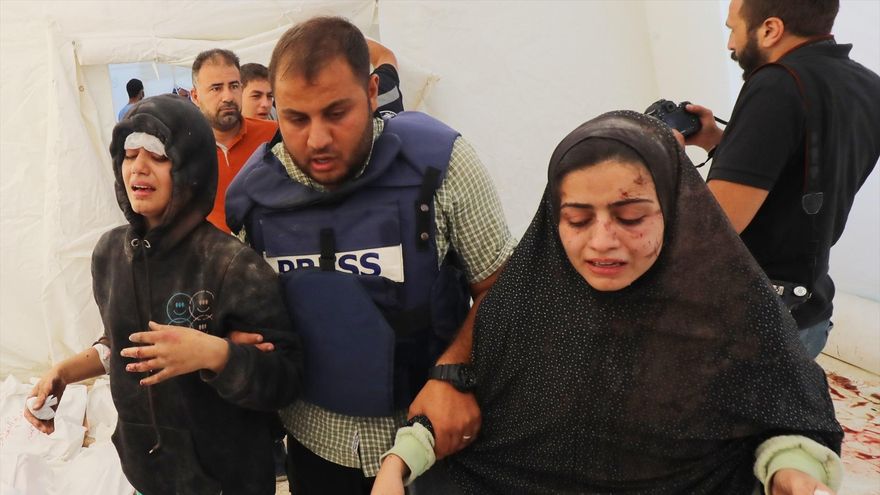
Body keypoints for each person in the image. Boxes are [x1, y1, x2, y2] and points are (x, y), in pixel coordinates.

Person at [373, 111, 843, 495]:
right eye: (577, 220)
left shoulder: (732, 308)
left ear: (677, 210)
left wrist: (792, 469)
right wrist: (400, 462)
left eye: (632, 216)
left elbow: (787, 414)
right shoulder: (525, 300)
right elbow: (461, 401)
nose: (602, 242)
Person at [225, 16, 515, 494]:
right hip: (315, 446)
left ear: (372, 91)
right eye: (295, 118)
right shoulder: (250, 200)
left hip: (432, 438)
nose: (316, 138)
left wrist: (454, 372)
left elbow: (503, 286)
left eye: (336, 112)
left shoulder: (442, 165)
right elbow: (241, 315)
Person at [24, 94, 303, 494]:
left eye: (157, 154)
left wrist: (216, 354)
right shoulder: (109, 254)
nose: (138, 167)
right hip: (147, 470)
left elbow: (286, 382)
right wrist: (62, 373)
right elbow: (119, 342)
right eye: (128, 154)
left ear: (189, 167)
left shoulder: (232, 265)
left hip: (227, 477)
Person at [682, 0, 880, 357]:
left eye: (733, 29)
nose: (730, 44)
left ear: (770, 29)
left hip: (756, 325)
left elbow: (716, 226)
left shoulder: (777, 83)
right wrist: (716, 141)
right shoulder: (867, 86)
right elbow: (801, 175)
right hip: (810, 312)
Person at [191, 49, 278, 233]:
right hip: (212, 256)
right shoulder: (182, 149)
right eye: (216, 88)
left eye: (234, 86)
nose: (228, 96)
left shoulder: (274, 135)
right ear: (195, 96)